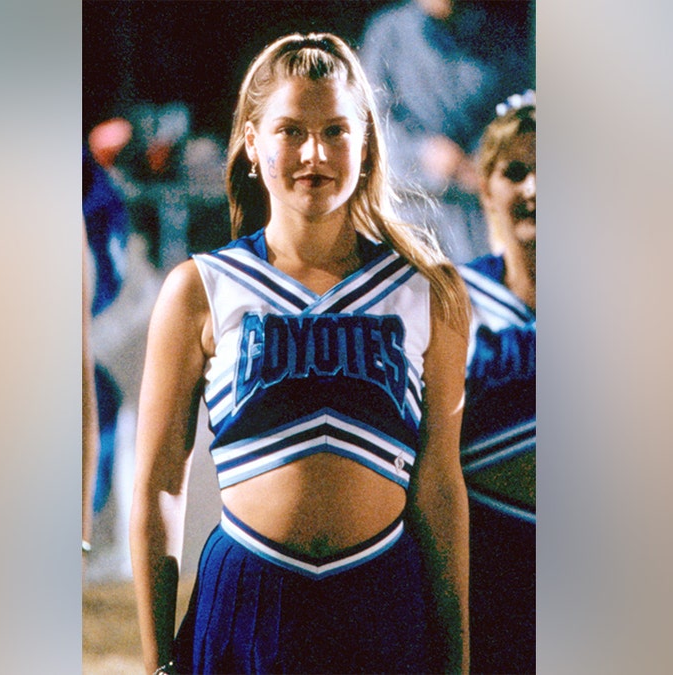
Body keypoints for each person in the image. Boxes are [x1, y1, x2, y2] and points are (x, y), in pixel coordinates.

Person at [131, 32, 471, 674]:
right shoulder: (201, 288)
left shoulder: (428, 289)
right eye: (291, 130)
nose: (315, 153)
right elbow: (159, 486)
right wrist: (156, 662)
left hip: (382, 598)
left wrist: (456, 659)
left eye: (336, 131)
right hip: (245, 597)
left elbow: (439, 485)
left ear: (366, 145)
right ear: (251, 143)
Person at [360, 0, 534, 264]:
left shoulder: (498, 39)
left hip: (475, 218)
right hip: (408, 211)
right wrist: (424, 153)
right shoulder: (387, 33)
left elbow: (516, 118)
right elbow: (369, 122)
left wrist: (480, 160)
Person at [458, 93, 536, 673]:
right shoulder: (450, 300)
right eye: (515, 171)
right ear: (485, 187)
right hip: (486, 576)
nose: (535, 188)